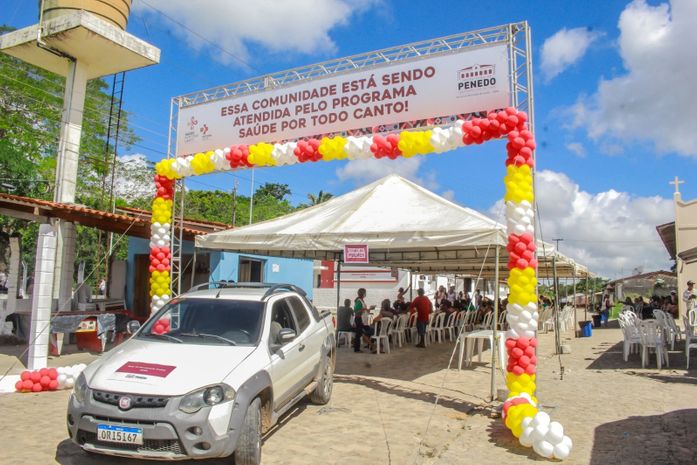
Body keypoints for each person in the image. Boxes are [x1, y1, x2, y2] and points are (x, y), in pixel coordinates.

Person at [352, 288, 374, 352]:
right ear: (363, 294)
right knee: (358, 334)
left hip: (363, 320)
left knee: (368, 330)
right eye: (365, 293)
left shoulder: (361, 301)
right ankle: (357, 349)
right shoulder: (359, 301)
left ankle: (369, 344)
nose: (365, 294)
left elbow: (363, 310)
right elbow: (356, 311)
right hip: (359, 319)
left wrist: (368, 309)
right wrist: (363, 309)